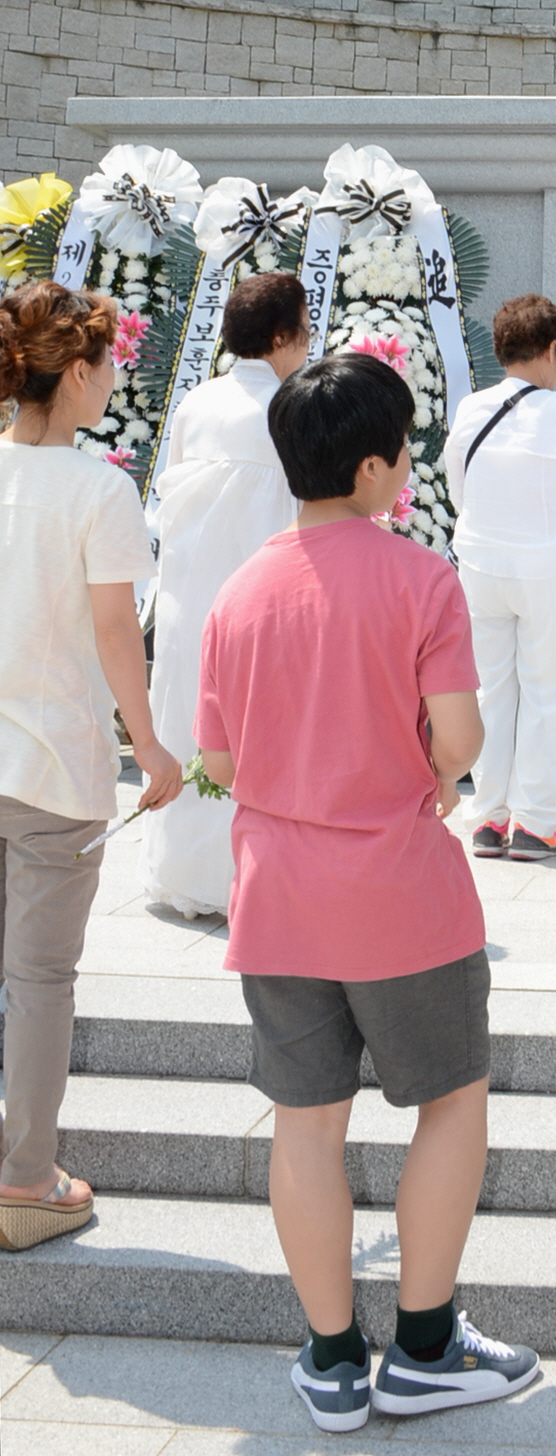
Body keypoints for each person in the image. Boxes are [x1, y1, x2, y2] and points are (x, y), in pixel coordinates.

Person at [196, 351, 539, 1432]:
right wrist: (436, 772)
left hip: (277, 901)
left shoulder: (239, 591)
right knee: (452, 1100)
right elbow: (461, 739)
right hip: (399, 894)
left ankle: (335, 1358)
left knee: (305, 1128)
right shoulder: (418, 577)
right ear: (373, 468)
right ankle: (426, 1346)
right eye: (401, 454)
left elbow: (219, 759)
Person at [0, 280, 182, 1248]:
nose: (114, 379)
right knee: (38, 979)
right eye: (108, 363)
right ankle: (26, 1178)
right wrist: (149, 745)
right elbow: (117, 632)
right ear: (75, 372)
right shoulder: (99, 489)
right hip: (52, 770)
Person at [142, 271, 308, 919]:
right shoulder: (289, 409)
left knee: (187, 723)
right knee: (255, 735)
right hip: (260, 603)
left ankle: (181, 872)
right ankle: (248, 878)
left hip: (187, 601)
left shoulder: (196, 402)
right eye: (304, 328)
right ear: (281, 336)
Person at [444, 295, 556, 863]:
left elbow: (459, 489)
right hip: (550, 568)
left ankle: (489, 819)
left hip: (481, 565)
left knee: (489, 690)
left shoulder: (471, 409)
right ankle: (535, 824)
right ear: (551, 349)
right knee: (545, 693)